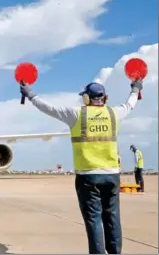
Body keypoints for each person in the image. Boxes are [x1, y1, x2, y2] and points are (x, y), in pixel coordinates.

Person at [19, 79, 143, 254]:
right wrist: (136, 88)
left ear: (86, 98)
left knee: (94, 219)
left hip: (88, 177)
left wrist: (30, 94)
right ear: (105, 98)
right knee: (112, 216)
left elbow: (49, 108)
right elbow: (130, 104)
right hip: (112, 175)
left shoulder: (76, 114)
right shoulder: (114, 113)